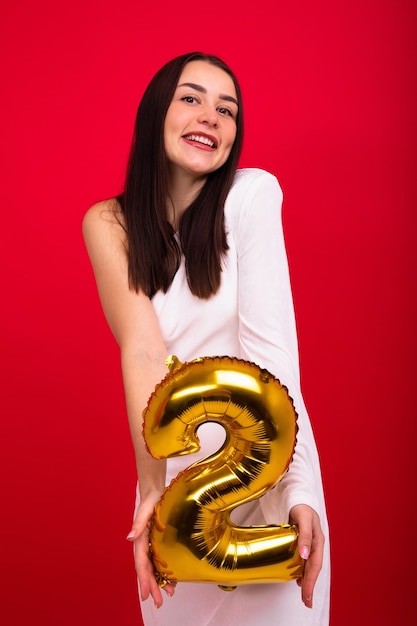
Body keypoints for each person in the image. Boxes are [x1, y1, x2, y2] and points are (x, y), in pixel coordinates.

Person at [82, 51, 330, 626]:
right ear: (156, 114)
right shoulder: (109, 224)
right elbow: (143, 350)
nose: (211, 117)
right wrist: (150, 494)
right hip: (180, 500)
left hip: (271, 484)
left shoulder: (252, 196)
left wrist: (301, 491)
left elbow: (275, 358)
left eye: (228, 109)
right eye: (191, 98)